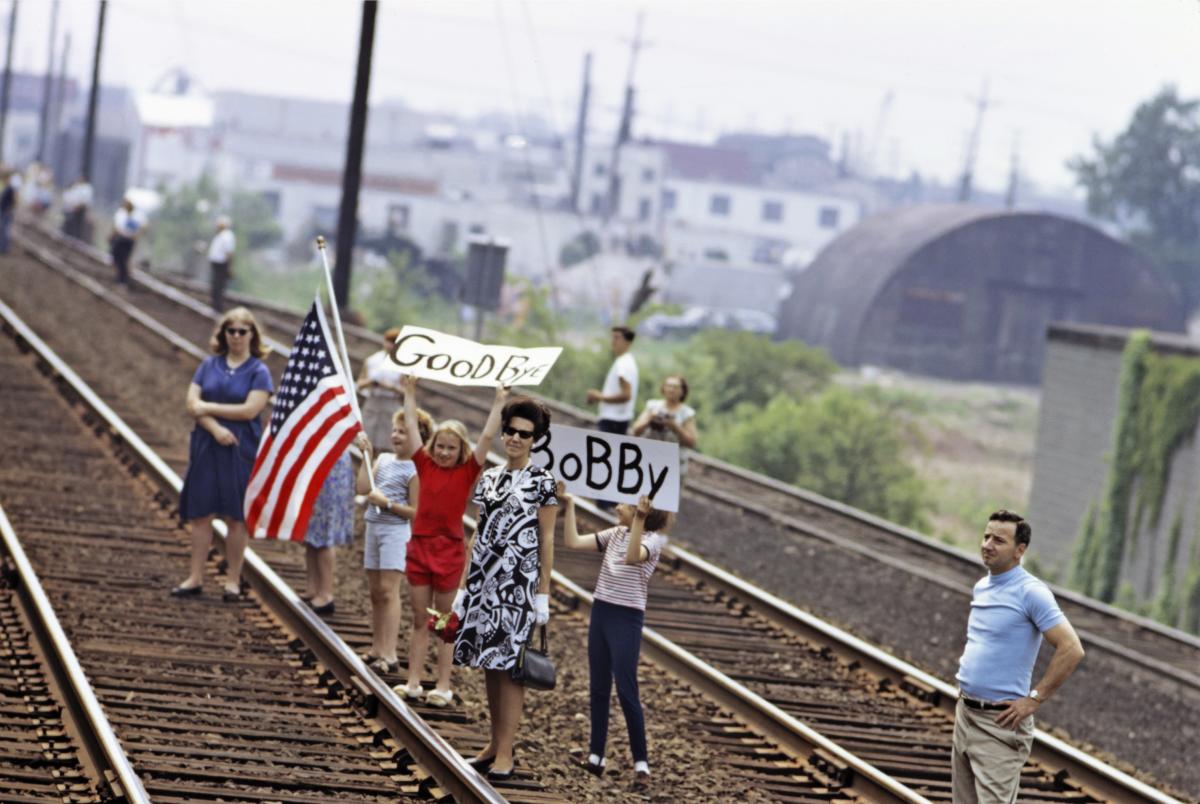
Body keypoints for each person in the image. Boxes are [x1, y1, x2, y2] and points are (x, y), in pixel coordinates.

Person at [452, 395, 559, 782]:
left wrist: (543, 593)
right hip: (484, 583)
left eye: (524, 434)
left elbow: (546, 539)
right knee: (489, 664)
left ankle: (507, 752)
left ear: (535, 439)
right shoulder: (491, 477)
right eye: (510, 431)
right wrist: (465, 586)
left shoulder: (543, 483)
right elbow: (478, 531)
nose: (514, 438)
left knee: (511, 668)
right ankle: (493, 744)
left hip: (518, 586)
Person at [952, 510, 1085, 804]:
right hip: (966, 714)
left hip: (1000, 723)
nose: (987, 544)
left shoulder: (1031, 593)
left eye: (998, 540)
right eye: (986, 536)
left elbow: (1071, 648)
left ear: (1019, 550)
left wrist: (1034, 699)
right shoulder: (982, 586)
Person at [397, 374, 506, 707]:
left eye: (451, 448)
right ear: (433, 448)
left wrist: (499, 402)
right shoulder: (424, 464)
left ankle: (442, 685)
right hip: (420, 547)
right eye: (440, 446)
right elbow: (414, 429)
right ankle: (413, 681)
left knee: (443, 623)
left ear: (462, 450)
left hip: (448, 551)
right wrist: (410, 392)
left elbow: (488, 435)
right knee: (419, 619)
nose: (444, 452)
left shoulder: (468, 471)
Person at [561, 491, 669, 791]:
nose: (616, 505)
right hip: (602, 611)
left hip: (627, 617)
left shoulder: (651, 541)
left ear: (640, 510)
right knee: (598, 686)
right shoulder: (616, 533)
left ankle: (642, 765)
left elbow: (634, 558)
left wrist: (640, 519)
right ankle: (596, 756)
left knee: (626, 687)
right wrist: (569, 506)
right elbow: (573, 542)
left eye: (624, 502)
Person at [173, 308, 273, 601]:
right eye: (232, 331)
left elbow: (250, 410)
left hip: (240, 449)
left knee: (235, 516)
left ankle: (232, 580)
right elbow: (192, 404)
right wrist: (214, 427)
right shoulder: (208, 365)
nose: (237, 337)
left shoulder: (258, 371)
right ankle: (195, 577)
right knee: (201, 513)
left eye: (243, 331)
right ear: (223, 334)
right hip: (207, 444)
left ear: (253, 335)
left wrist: (208, 408)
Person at [355, 407, 431, 673]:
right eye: (395, 430)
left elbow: (416, 512)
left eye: (404, 431)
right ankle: (377, 647)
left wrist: (387, 503)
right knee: (376, 591)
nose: (396, 435)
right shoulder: (384, 459)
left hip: (395, 533)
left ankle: (389, 653)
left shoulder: (415, 470)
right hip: (373, 528)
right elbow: (363, 488)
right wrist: (366, 456)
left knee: (389, 590)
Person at [300, 437, 360, 617]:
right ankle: (312, 588)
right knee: (311, 532)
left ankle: (326, 593)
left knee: (325, 533)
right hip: (313, 460)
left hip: (330, 465)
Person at [631, 374, 698, 478]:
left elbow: (691, 442)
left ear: (683, 391)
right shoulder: (652, 406)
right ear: (663, 388)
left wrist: (674, 426)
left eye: (675, 387)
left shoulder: (687, 414)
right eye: (668, 386)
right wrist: (650, 419)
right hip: (648, 459)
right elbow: (635, 431)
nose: (671, 389)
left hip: (673, 465)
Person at [356, 327, 404, 453]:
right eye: (389, 341)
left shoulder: (403, 365)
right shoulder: (372, 360)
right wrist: (371, 382)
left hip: (390, 404)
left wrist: (391, 387)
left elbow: (406, 391)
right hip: (373, 402)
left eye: (394, 342)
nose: (391, 345)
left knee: (386, 445)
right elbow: (360, 383)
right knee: (366, 443)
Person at [587, 326, 639, 436]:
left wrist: (599, 397)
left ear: (628, 341)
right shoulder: (624, 361)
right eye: (612, 337)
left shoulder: (623, 363)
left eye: (617, 338)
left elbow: (626, 395)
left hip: (614, 419)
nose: (613, 341)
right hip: (616, 419)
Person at [207, 215, 236, 312]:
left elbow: (229, 252)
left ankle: (218, 308)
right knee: (215, 285)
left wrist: (230, 267)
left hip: (222, 265)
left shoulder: (227, 235)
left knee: (219, 286)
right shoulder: (220, 235)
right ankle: (215, 306)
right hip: (216, 264)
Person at [110, 199, 141, 288]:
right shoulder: (135, 215)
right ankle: (122, 279)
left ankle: (122, 280)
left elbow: (118, 228)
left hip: (123, 239)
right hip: (127, 240)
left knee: (121, 259)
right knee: (122, 259)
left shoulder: (123, 214)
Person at [61, 176, 94, 241]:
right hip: (73, 208)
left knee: (77, 225)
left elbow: (85, 201)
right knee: (70, 223)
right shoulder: (78, 187)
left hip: (80, 209)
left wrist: (79, 207)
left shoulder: (86, 188)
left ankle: (74, 238)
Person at [0, 167, 17, 254]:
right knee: (2, 229)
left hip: (6, 211)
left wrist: (10, 209)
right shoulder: (6, 186)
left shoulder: (10, 187)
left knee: (5, 230)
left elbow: (14, 201)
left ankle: (4, 248)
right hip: (3, 210)